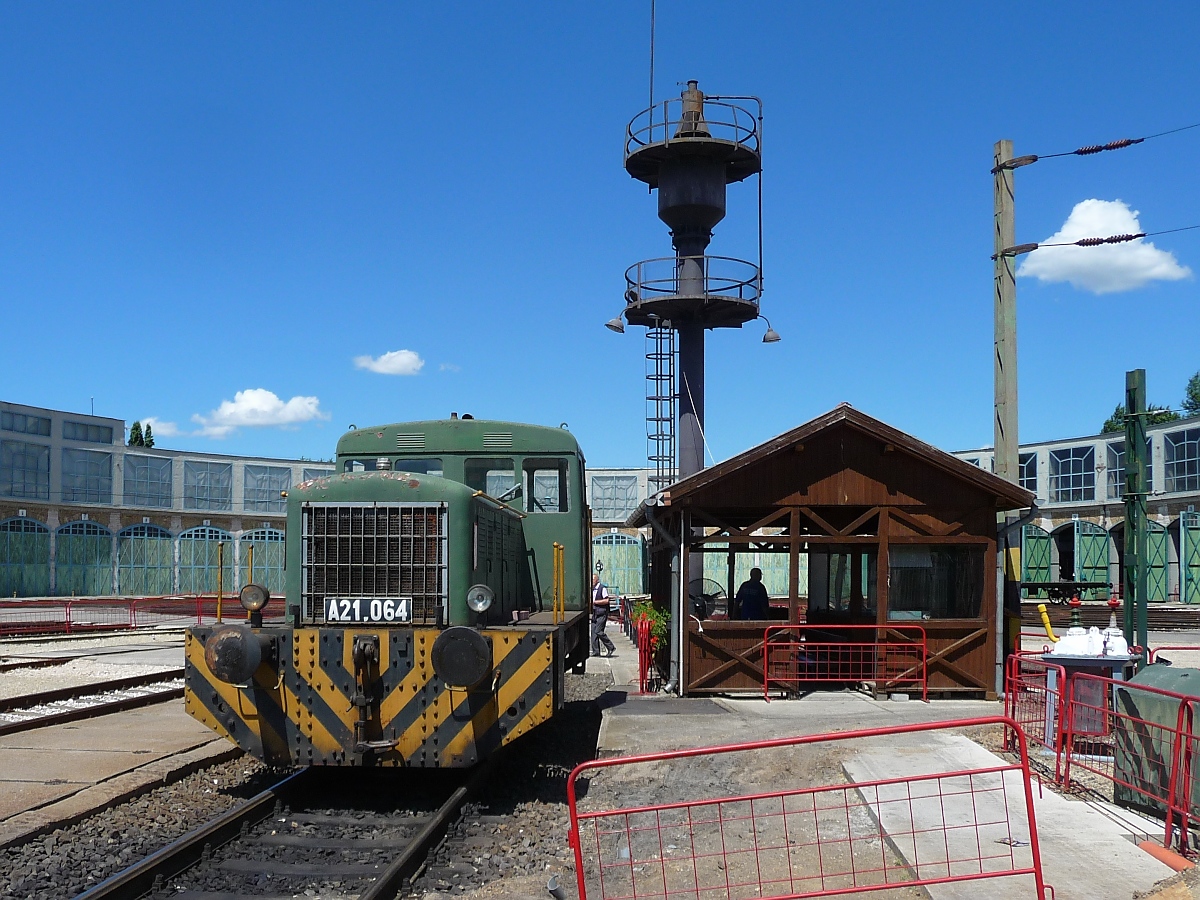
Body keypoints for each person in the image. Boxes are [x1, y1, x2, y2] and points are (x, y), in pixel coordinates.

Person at [591, 573, 616, 657]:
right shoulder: (592, 589)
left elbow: (606, 601)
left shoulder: (602, 588)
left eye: (593, 579)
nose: (592, 581)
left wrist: (595, 602)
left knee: (598, 631)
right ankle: (596, 651)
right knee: (593, 633)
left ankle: (611, 647)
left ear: (597, 580)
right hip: (595, 614)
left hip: (602, 613)